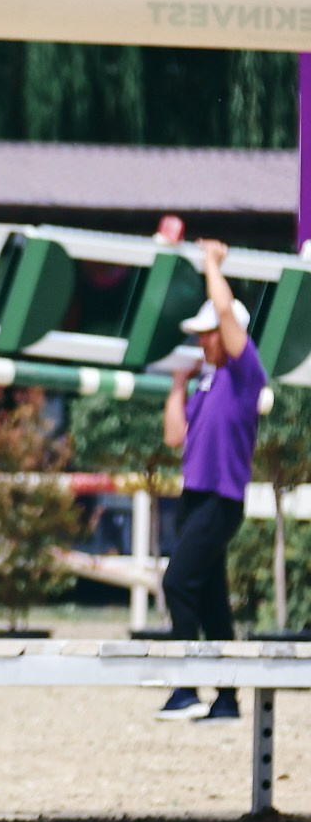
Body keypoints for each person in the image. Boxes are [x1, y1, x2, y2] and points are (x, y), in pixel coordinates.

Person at [159, 239, 261, 722]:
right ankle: (226, 699)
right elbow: (174, 437)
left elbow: (225, 312)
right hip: (194, 497)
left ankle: (185, 688)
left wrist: (210, 265)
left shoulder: (246, 373)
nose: (203, 341)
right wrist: (177, 386)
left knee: (177, 582)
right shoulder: (208, 381)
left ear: (229, 332)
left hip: (221, 500)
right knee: (212, 601)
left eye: (209, 334)